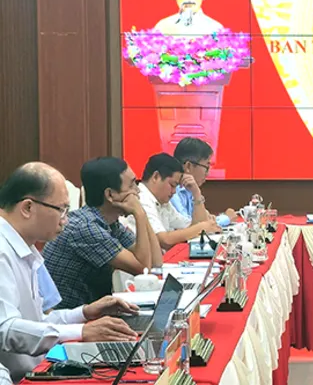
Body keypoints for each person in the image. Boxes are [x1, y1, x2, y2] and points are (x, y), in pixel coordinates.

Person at [0, 163, 140, 382]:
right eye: (62, 210)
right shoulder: (2, 251)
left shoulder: (26, 248)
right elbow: (6, 329)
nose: (65, 220)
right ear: (27, 208)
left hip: (40, 369)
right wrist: (81, 332)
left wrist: (84, 313)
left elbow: (38, 322)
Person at [44, 157, 163, 309]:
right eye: (132, 185)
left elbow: (156, 263)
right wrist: (139, 213)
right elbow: (142, 269)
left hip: (92, 312)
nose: (137, 190)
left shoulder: (110, 224)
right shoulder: (85, 228)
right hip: (70, 317)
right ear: (110, 195)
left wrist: (142, 214)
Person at [124, 153, 220, 251]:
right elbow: (164, 240)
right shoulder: (141, 199)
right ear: (156, 177)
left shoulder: (163, 203)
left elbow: (192, 226)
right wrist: (201, 228)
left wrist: (196, 194)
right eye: (172, 185)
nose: (174, 191)